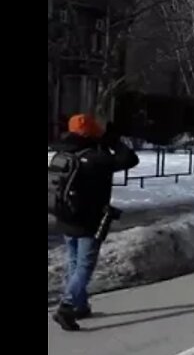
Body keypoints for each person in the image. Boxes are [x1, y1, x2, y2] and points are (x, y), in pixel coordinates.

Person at [49, 113, 140, 331]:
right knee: (84, 266)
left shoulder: (62, 154)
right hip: (89, 220)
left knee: (73, 261)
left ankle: (80, 305)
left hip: (66, 216)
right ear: (92, 132)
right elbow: (130, 159)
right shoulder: (96, 158)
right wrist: (111, 140)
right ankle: (67, 306)